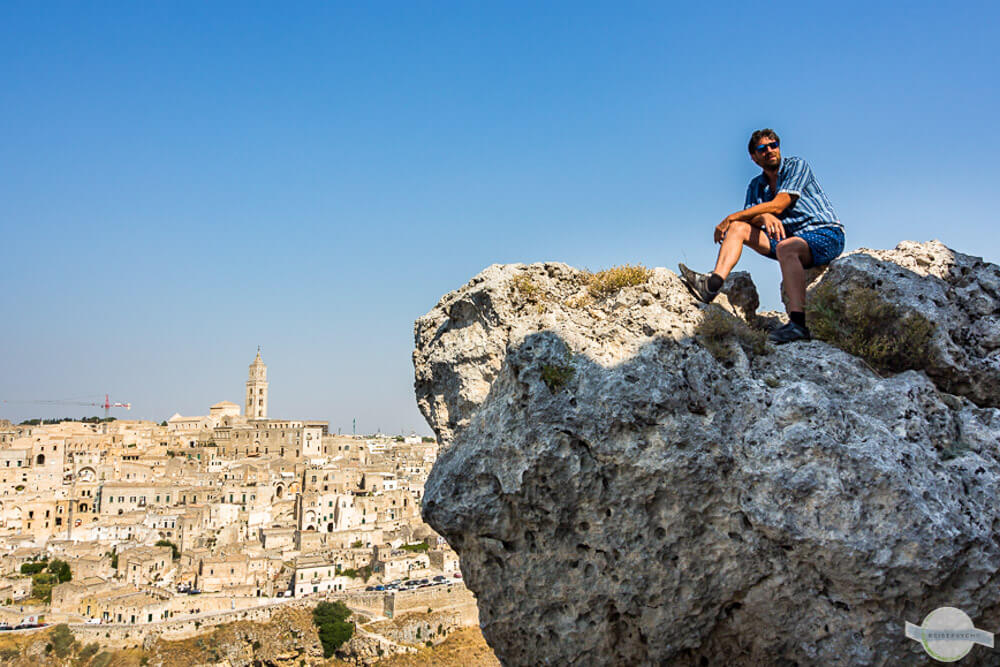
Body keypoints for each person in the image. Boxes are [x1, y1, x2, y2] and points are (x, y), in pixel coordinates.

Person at [679, 129, 845, 343]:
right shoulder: (756, 186)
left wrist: (734, 215)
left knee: (783, 245)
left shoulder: (796, 166)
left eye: (773, 145)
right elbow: (752, 218)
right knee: (738, 227)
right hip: (789, 239)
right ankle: (711, 285)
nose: (769, 151)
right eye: (762, 149)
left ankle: (798, 325)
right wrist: (763, 216)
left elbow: (780, 204)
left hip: (825, 233)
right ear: (754, 157)